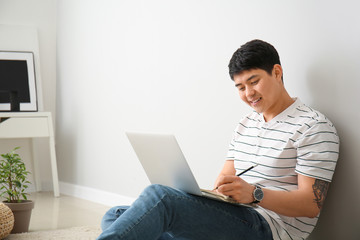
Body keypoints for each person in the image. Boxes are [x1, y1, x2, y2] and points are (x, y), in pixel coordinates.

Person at [97, 39, 339, 240]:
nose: (248, 93)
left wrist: (256, 194)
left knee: (159, 200)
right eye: (240, 87)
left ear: (276, 72)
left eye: (254, 82)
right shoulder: (245, 124)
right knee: (116, 215)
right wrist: (214, 194)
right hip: (235, 215)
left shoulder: (313, 126)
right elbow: (223, 181)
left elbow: (310, 205)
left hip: (267, 228)